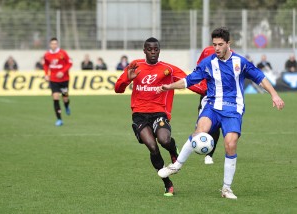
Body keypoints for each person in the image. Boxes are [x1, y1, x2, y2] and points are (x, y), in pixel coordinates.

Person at [157, 27, 285, 199]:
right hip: (212, 105)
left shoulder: (241, 62)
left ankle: (226, 188)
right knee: (200, 131)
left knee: (230, 144)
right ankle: (176, 165)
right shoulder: (208, 63)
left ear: (228, 44)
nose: (216, 48)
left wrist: (274, 94)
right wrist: (170, 86)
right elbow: (188, 80)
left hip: (233, 108)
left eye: (220, 44)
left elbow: (259, 77)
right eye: (214, 44)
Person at [115, 37, 206, 197]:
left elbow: (188, 81)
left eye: (155, 49)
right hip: (139, 115)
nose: (153, 52)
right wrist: (127, 80)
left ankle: (172, 149)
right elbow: (118, 89)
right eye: (149, 49)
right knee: (152, 146)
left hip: (159, 112)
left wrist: (206, 91)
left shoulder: (168, 69)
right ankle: (167, 183)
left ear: (159, 50)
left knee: (164, 140)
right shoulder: (135, 66)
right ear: (144, 50)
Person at [196, 46, 221, 165]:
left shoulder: (230, 53)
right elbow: (199, 66)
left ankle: (209, 155)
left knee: (216, 126)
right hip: (207, 93)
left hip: (223, 95)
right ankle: (182, 157)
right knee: (201, 126)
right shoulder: (206, 51)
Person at [44, 37, 73, 126]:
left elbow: (70, 63)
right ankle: (59, 119)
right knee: (55, 97)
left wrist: (62, 72)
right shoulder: (47, 55)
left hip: (64, 79)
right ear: (50, 44)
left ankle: (66, 105)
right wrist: (46, 74)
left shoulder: (63, 53)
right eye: (52, 43)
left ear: (57, 44)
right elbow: (46, 65)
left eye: (55, 43)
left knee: (65, 97)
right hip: (53, 80)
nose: (54, 45)